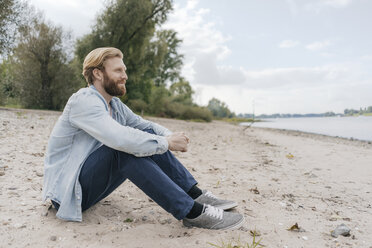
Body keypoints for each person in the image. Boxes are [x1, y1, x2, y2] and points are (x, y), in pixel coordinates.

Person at [42, 47, 244, 230]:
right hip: (67, 195)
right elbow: (119, 139)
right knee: (122, 149)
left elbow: (144, 125)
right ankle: (191, 212)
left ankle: (194, 194)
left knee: (144, 138)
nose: (125, 76)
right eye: (118, 71)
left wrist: (168, 136)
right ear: (97, 73)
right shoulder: (83, 101)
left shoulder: (115, 105)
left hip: (87, 187)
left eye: (124, 70)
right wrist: (166, 143)